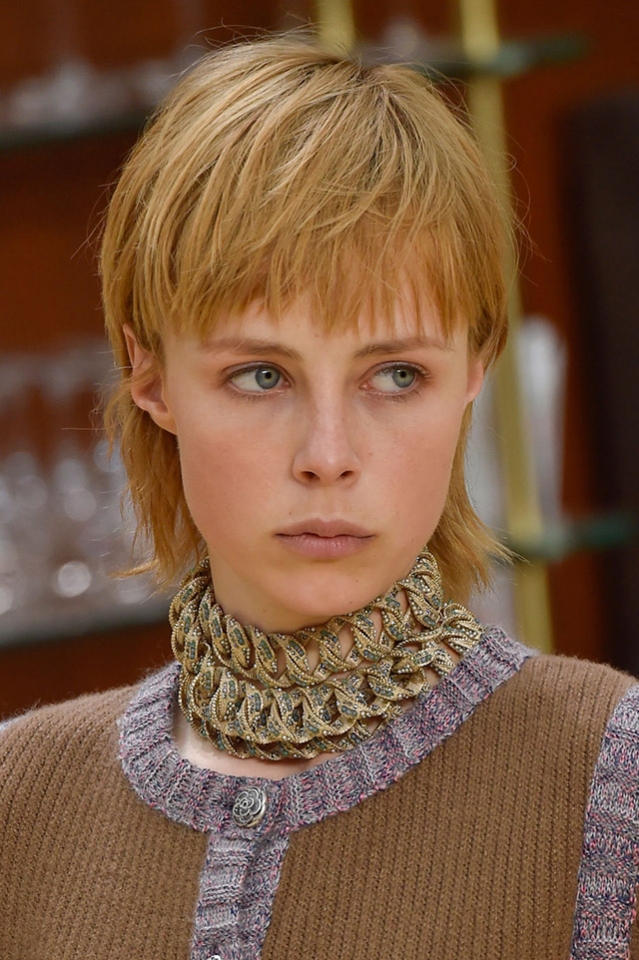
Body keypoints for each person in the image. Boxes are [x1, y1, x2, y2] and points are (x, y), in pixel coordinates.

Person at [1, 35, 638, 960]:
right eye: (261, 375)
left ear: (474, 370)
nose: (328, 457)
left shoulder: (610, 780)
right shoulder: (19, 802)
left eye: (396, 375)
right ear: (150, 375)